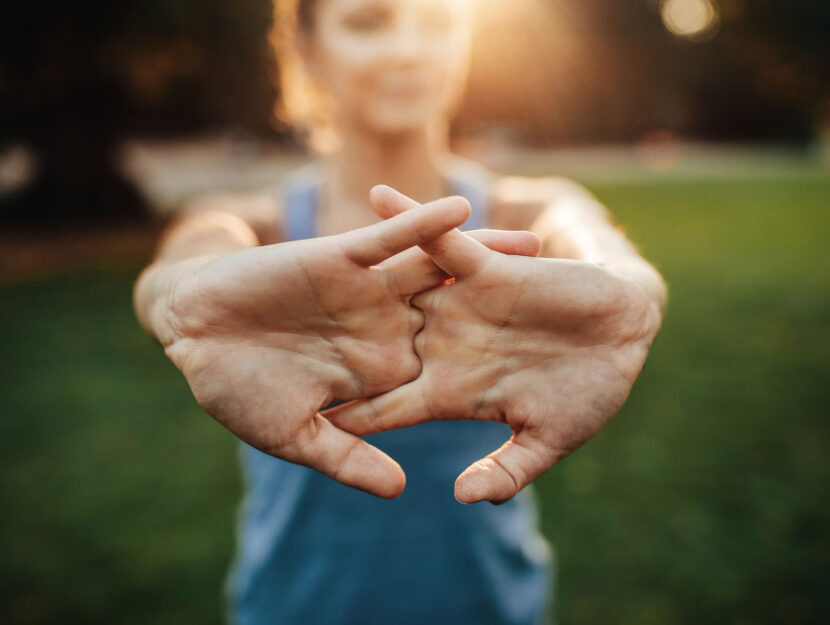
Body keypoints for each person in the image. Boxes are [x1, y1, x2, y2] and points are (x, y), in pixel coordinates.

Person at [132, 0, 667, 623]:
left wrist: (633, 293)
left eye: (438, 22)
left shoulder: (531, 211)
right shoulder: (253, 222)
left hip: (490, 605)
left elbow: (599, 252)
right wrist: (177, 301)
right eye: (368, 21)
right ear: (306, 49)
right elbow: (186, 264)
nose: (410, 49)